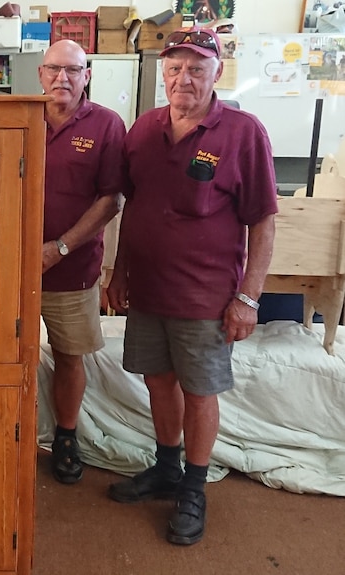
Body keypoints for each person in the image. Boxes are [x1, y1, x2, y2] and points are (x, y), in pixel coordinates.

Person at [106, 27, 277, 546]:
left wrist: (248, 298)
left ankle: (194, 489)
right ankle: (166, 467)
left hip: (206, 296)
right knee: (158, 381)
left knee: (200, 391)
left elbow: (264, 222)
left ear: (216, 72)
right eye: (176, 67)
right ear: (163, 72)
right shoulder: (142, 130)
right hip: (149, 291)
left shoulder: (244, 133)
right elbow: (130, 207)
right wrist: (119, 270)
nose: (185, 77)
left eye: (197, 68)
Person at [37, 40, 125, 485]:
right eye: (54, 69)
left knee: (70, 357)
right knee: (4, 355)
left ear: (86, 75)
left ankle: (66, 437)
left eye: (73, 70)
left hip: (73, 270)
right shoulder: (20, 118)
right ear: (40, 73)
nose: (62, 78)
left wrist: (60, 248)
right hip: (11, 269)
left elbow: (111, 200)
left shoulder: (108, 125)